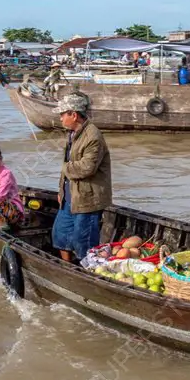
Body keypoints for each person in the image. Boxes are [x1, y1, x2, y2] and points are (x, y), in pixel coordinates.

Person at [52, 94, 112, 263]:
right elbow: (69, 164)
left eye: (63, 114)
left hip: (87, 198)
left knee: (83, 242)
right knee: (60, 235)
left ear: (74, 115)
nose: (60, 118)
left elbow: (87, 168)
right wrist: (61, 190)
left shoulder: (93, 136)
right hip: (69, 195)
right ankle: (67, 267)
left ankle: (86, 270)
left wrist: (64, 167)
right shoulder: (72, 134)